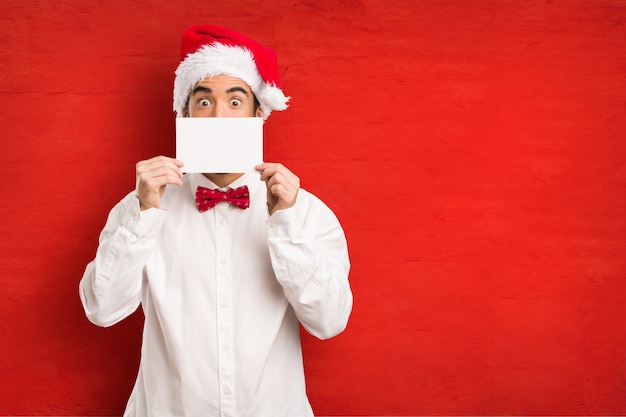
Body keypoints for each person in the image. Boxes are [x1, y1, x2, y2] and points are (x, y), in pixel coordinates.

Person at [79, 24, 353, 417]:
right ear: (185, 113)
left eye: (236, 101)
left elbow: (329, 321)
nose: (218, 115)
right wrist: (143, 216)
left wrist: (285, 225)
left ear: (260, 113)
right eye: (204, 102)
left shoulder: (304, 211)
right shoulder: (139, 207)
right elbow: (101, 309)